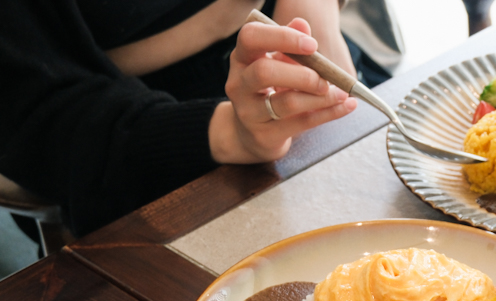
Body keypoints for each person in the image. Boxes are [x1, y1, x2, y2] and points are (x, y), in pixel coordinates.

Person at [0, 0, 365, 237]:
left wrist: (312, 7)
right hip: (136, 150)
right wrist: (234, 134)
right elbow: (37, 113)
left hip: (296, 65)